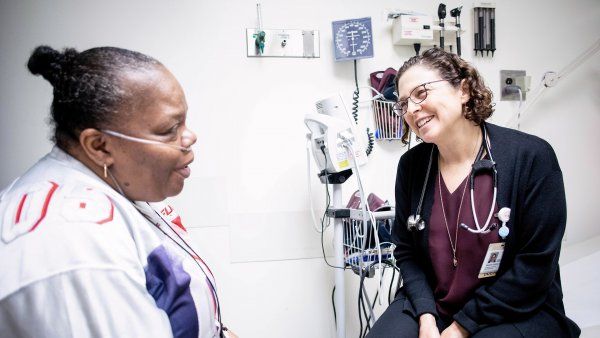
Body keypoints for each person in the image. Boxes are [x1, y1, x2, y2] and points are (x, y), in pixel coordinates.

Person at [0, 46, 236, 338]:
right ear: (99, 146)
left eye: (184, 121)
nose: (190, 137)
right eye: (169, 129)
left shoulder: (115, 184)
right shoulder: (75, 249)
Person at [367, 48, 580, 337]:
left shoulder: (530, 157)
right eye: (403, 104)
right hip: (436, 305)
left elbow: (535, 264)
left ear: (463, 90)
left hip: (515, 307)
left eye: (421, 93)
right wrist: (426, 316)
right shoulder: (413, 166)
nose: (411, 109)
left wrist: (461, 327)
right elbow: (406, 251)